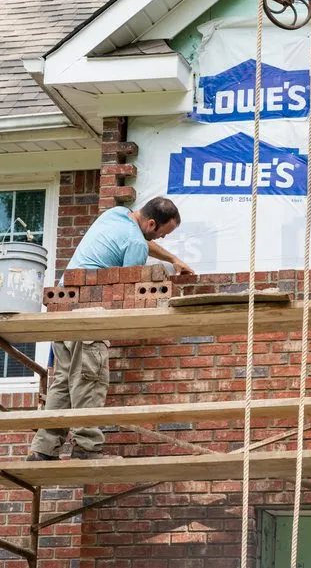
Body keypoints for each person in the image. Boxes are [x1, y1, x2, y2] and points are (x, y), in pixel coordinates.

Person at [28, 197, 193, 460]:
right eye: (163, 233)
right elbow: (129, 286)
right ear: (151, 223)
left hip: (61, 308)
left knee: (62, 383)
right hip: (88, 315)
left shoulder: (116, 214)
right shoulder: (137, 244)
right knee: (89, 380)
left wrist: (173, 259)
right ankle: (86, 447)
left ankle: (43, 449)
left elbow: (139, 241)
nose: (161, 239)